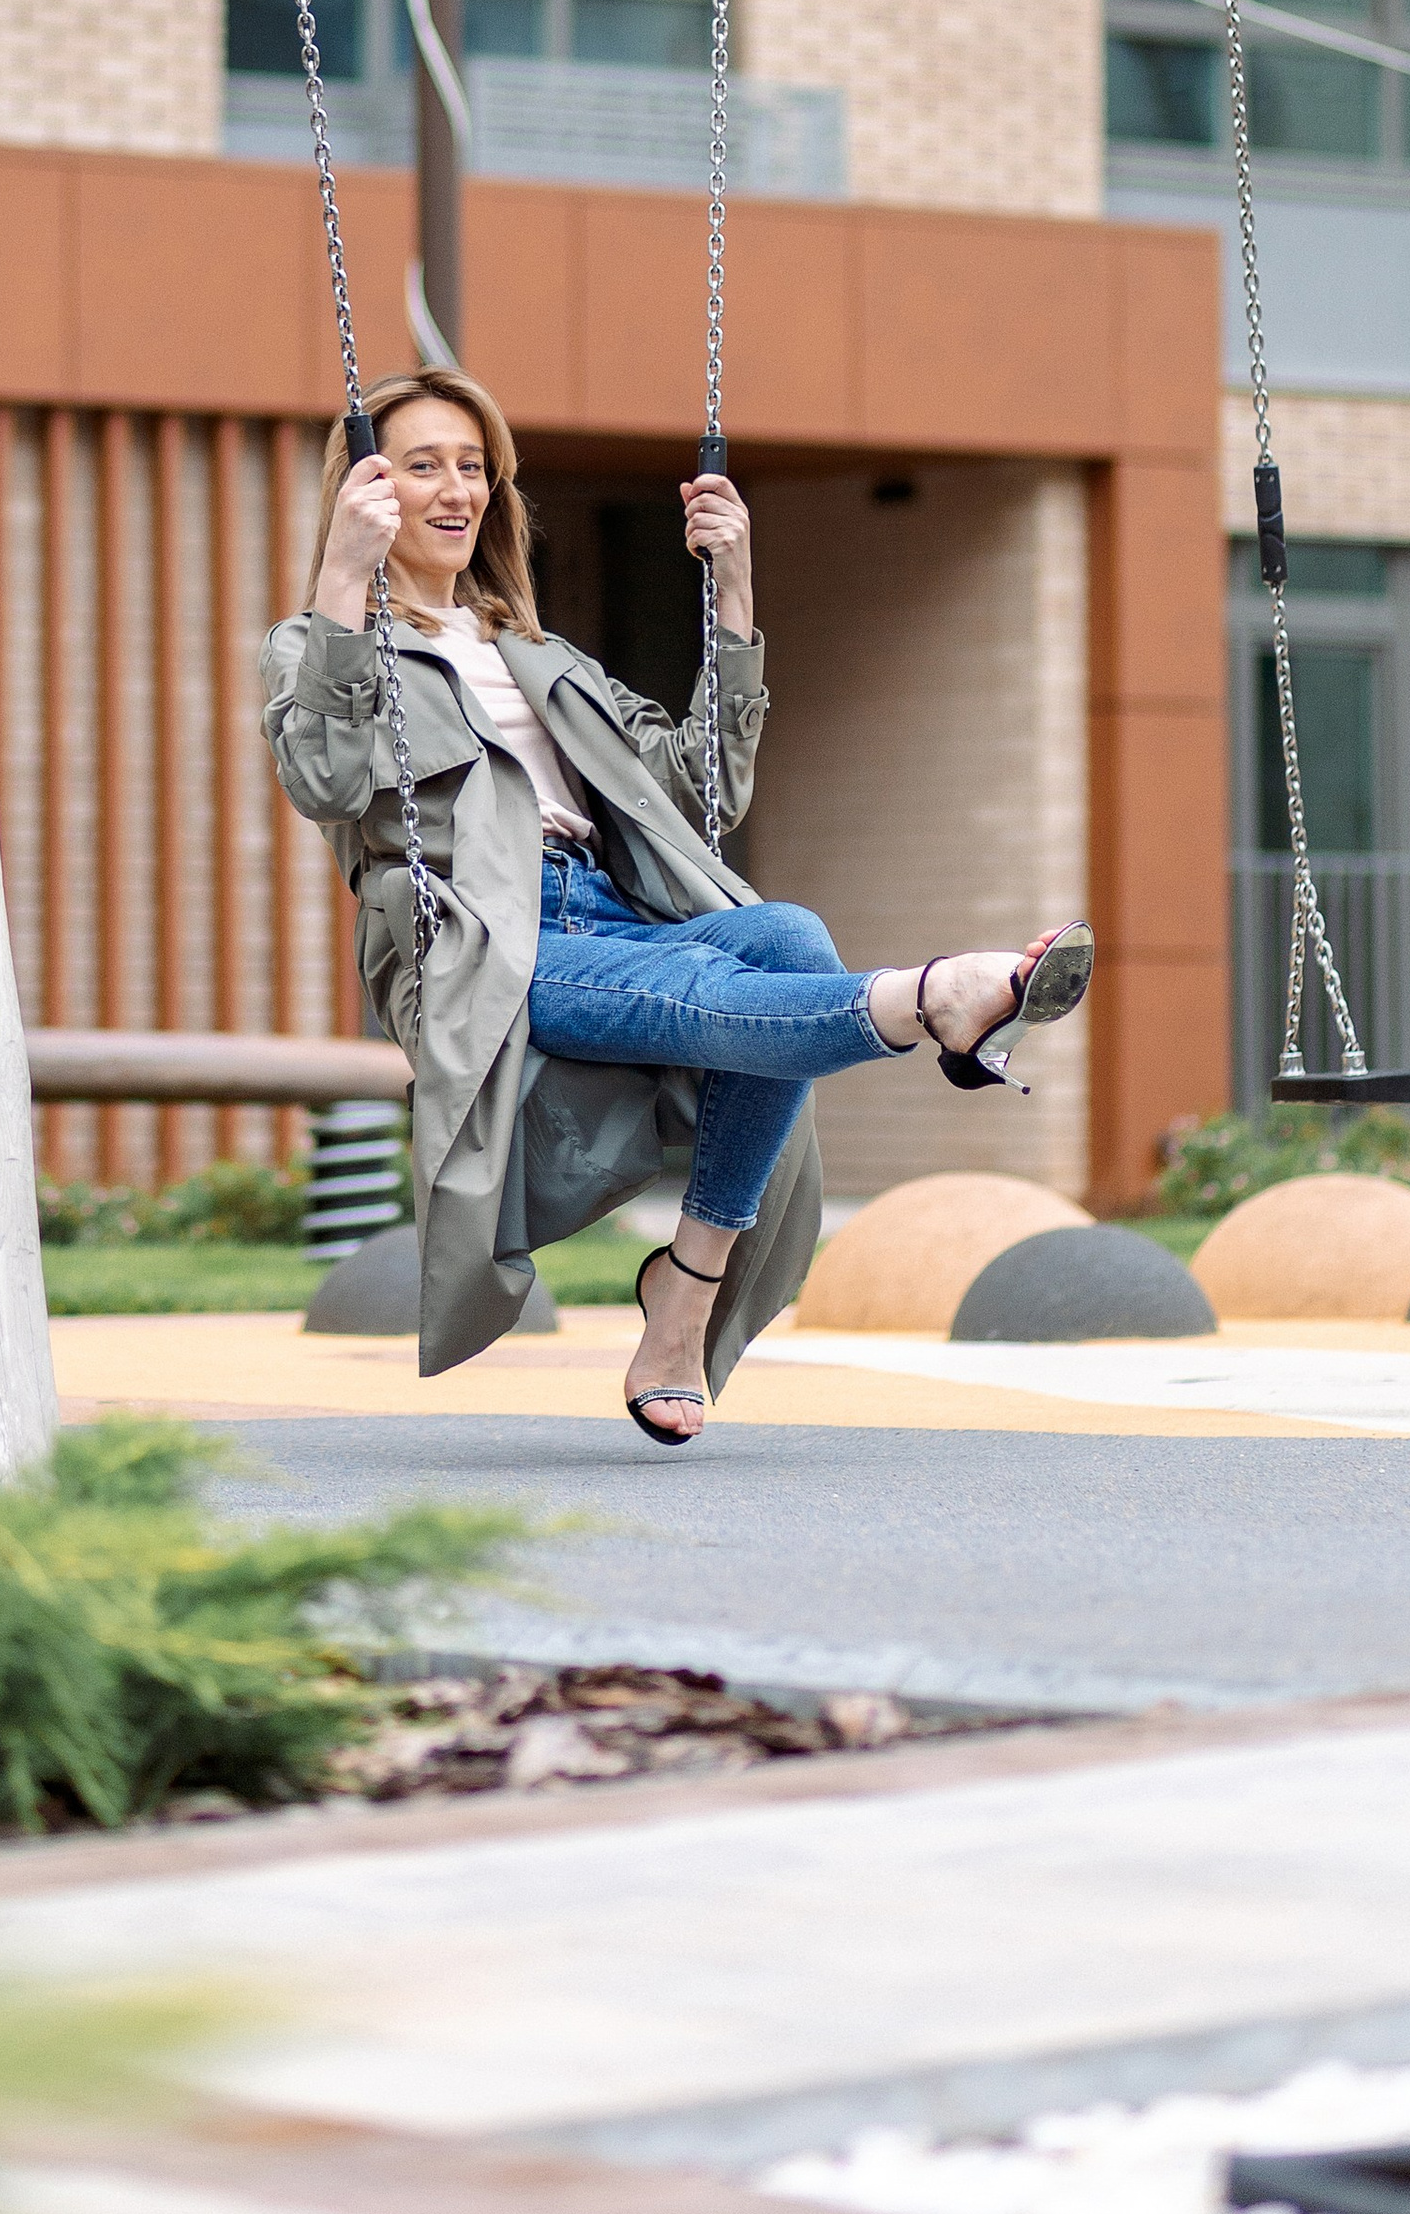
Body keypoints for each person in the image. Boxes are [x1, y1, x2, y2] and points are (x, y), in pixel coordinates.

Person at [260, 365, 1093, 1447]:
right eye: (423, 466)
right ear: (366, 486)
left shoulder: (538, 653)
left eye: (473, 467)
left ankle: (686, 1289)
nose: (455, 490)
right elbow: (321, 783)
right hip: (485, 943)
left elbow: (702, 790)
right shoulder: (322, 646)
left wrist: (734, 587)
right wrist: (340, 576)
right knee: (714, 987)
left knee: (785, 935)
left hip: (606, 913)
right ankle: (936, 999)